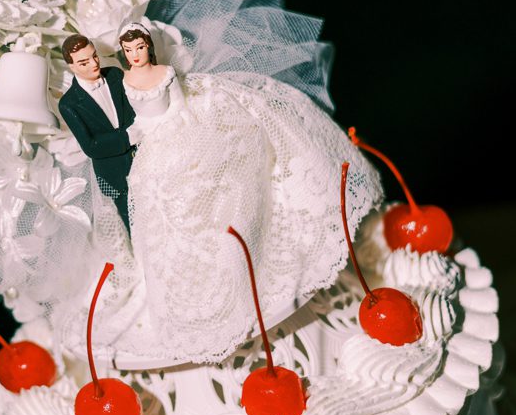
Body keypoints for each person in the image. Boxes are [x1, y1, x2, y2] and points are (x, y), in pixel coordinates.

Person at [105, 20, 379, 368]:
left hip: (180, 130)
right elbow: (139, 117)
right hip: (151, 143)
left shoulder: (165, 72)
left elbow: (176, 105)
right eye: (128, 51)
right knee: (158, 203)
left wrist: (178, 130)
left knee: (212, 179)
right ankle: (193, 293)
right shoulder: (127, 80)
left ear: (148, 47)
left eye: (139, 48)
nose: (135, 55)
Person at [57, 34, 138, 231]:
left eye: (95, 56)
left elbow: (133, 107)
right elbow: (91, 147)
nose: (93, 64)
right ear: (72, 66)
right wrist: (128, 137)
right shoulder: (68, 104)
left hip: (143, 156)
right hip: (114, 171)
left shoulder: (115, 75)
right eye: (84, 63)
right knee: (131, 219)